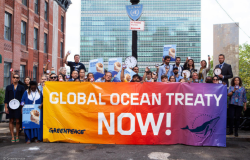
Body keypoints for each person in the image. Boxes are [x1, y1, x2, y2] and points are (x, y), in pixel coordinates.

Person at [4, 74, 25, 143]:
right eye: (14, 77)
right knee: (11, 120)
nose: (16, 78)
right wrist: (6, 107)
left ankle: (17, 135)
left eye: (17, 77)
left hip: (18, 106)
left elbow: (23, 98)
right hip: (10, 106)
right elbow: (6, 98)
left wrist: (22, 107)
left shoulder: (21, 87)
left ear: (19, 79)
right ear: (12, 78)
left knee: (18, 121)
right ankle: (12, 136)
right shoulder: (8, 87)